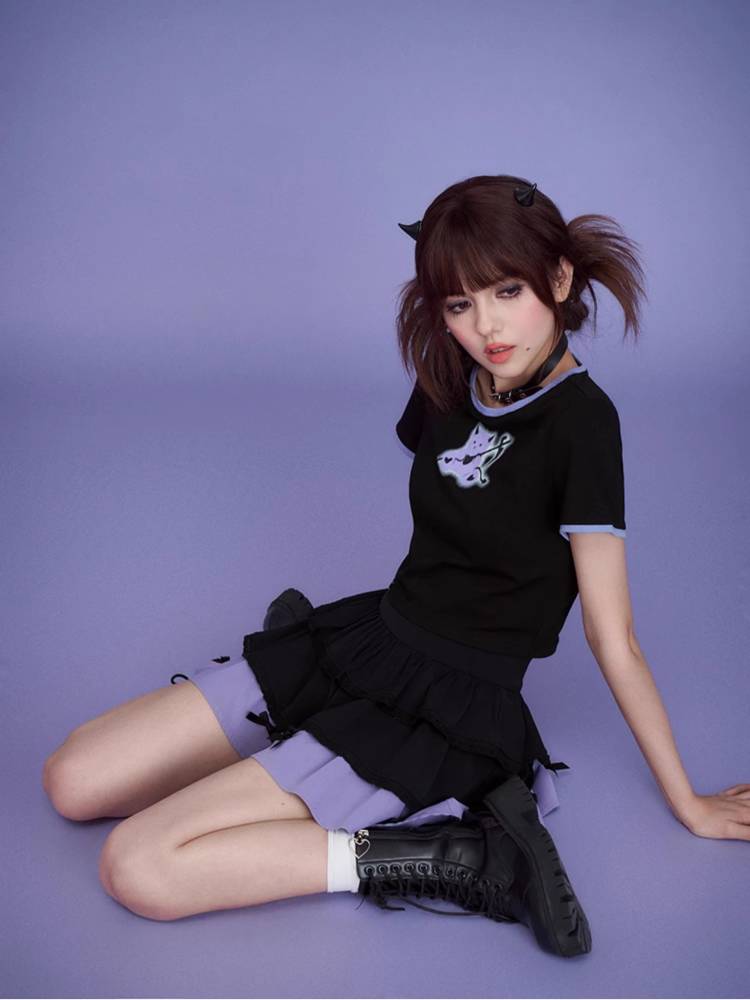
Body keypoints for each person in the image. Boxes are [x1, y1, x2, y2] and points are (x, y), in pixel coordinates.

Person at [43, 174, 750, 960]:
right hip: (367, 638)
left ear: (559, 278)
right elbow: (458, 527)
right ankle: (302, 707)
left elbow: (614, 637)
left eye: (508, 291)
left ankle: (457, 856)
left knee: (136, 865)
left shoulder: (583, 424)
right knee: (72, 781)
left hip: (446, 709)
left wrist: (688, 801)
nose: (487, 327)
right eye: (460, 303)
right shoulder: (455, 371)